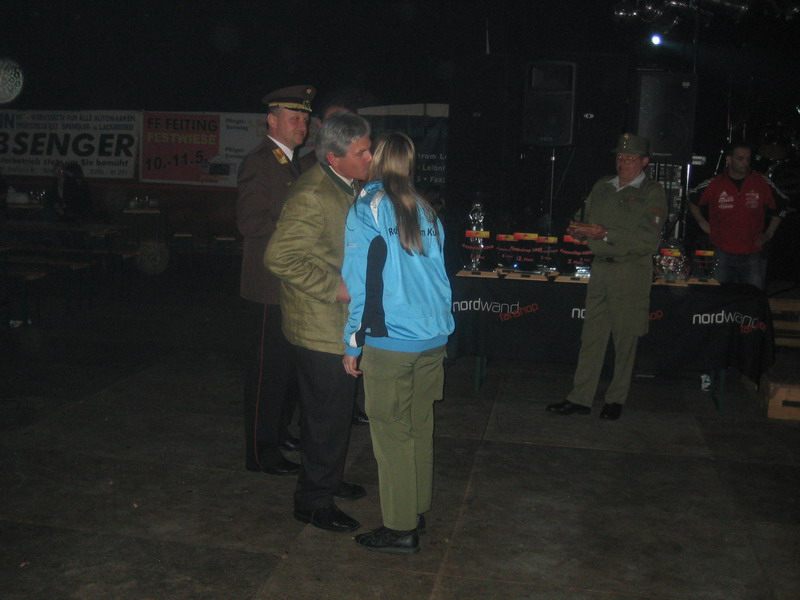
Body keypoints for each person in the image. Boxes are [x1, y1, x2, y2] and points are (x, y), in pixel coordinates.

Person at [341, 132, 454, 555]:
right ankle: (416, 509)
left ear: (377, 161)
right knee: (419, 425)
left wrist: (352, 343)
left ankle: (400, 527)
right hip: (433, 336)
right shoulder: (426, 209)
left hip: (393, 340)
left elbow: (360, 282)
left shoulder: (366, 207)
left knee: (391, 434)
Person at [265, 111, 373, 532]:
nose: (369, 157)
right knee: (326, 416)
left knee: (334, 413)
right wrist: (335, 287)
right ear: (333, 157)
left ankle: (327, 478)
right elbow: (279, 257)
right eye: (361, 152)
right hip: (319, 325)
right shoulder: (312, 194)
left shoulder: (345, 183)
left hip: (336, 324)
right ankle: (313, 501)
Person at [546, 133, 666, 421]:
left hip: (631, 270)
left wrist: (606, 233)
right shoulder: (603, 186)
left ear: (644, 162)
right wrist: (578, 230)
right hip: (601, 268)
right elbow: (584, 218)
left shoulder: (652, 192)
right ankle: (580, 398)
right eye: (620, 157)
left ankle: (616, 399)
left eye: (630, 158)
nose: (623, 163)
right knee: (592, 337)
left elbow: (649, 240)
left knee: (625, 338)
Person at [237, 84, 316, 477]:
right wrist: (298, 227)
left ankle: (279, 434)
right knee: (267, 375)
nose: (302, 125)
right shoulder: (260, 162)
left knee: (285, 372)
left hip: (289, 284)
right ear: (272, 120)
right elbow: (250, 223)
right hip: (267, 286)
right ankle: (259, 452)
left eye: (304, 119)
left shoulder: (292, 162)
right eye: (294, 118)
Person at [688, 143, 788, 289]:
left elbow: (782, 203)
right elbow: (692, 198)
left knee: (753, 297)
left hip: (751, 252)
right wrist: (702, 222)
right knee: (718, 295)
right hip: (721, 250)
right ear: (729, 160)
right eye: (740, 158)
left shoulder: (761, 182)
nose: (745, 163)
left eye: (748, 158)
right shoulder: (715, 183)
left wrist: (769, 233)